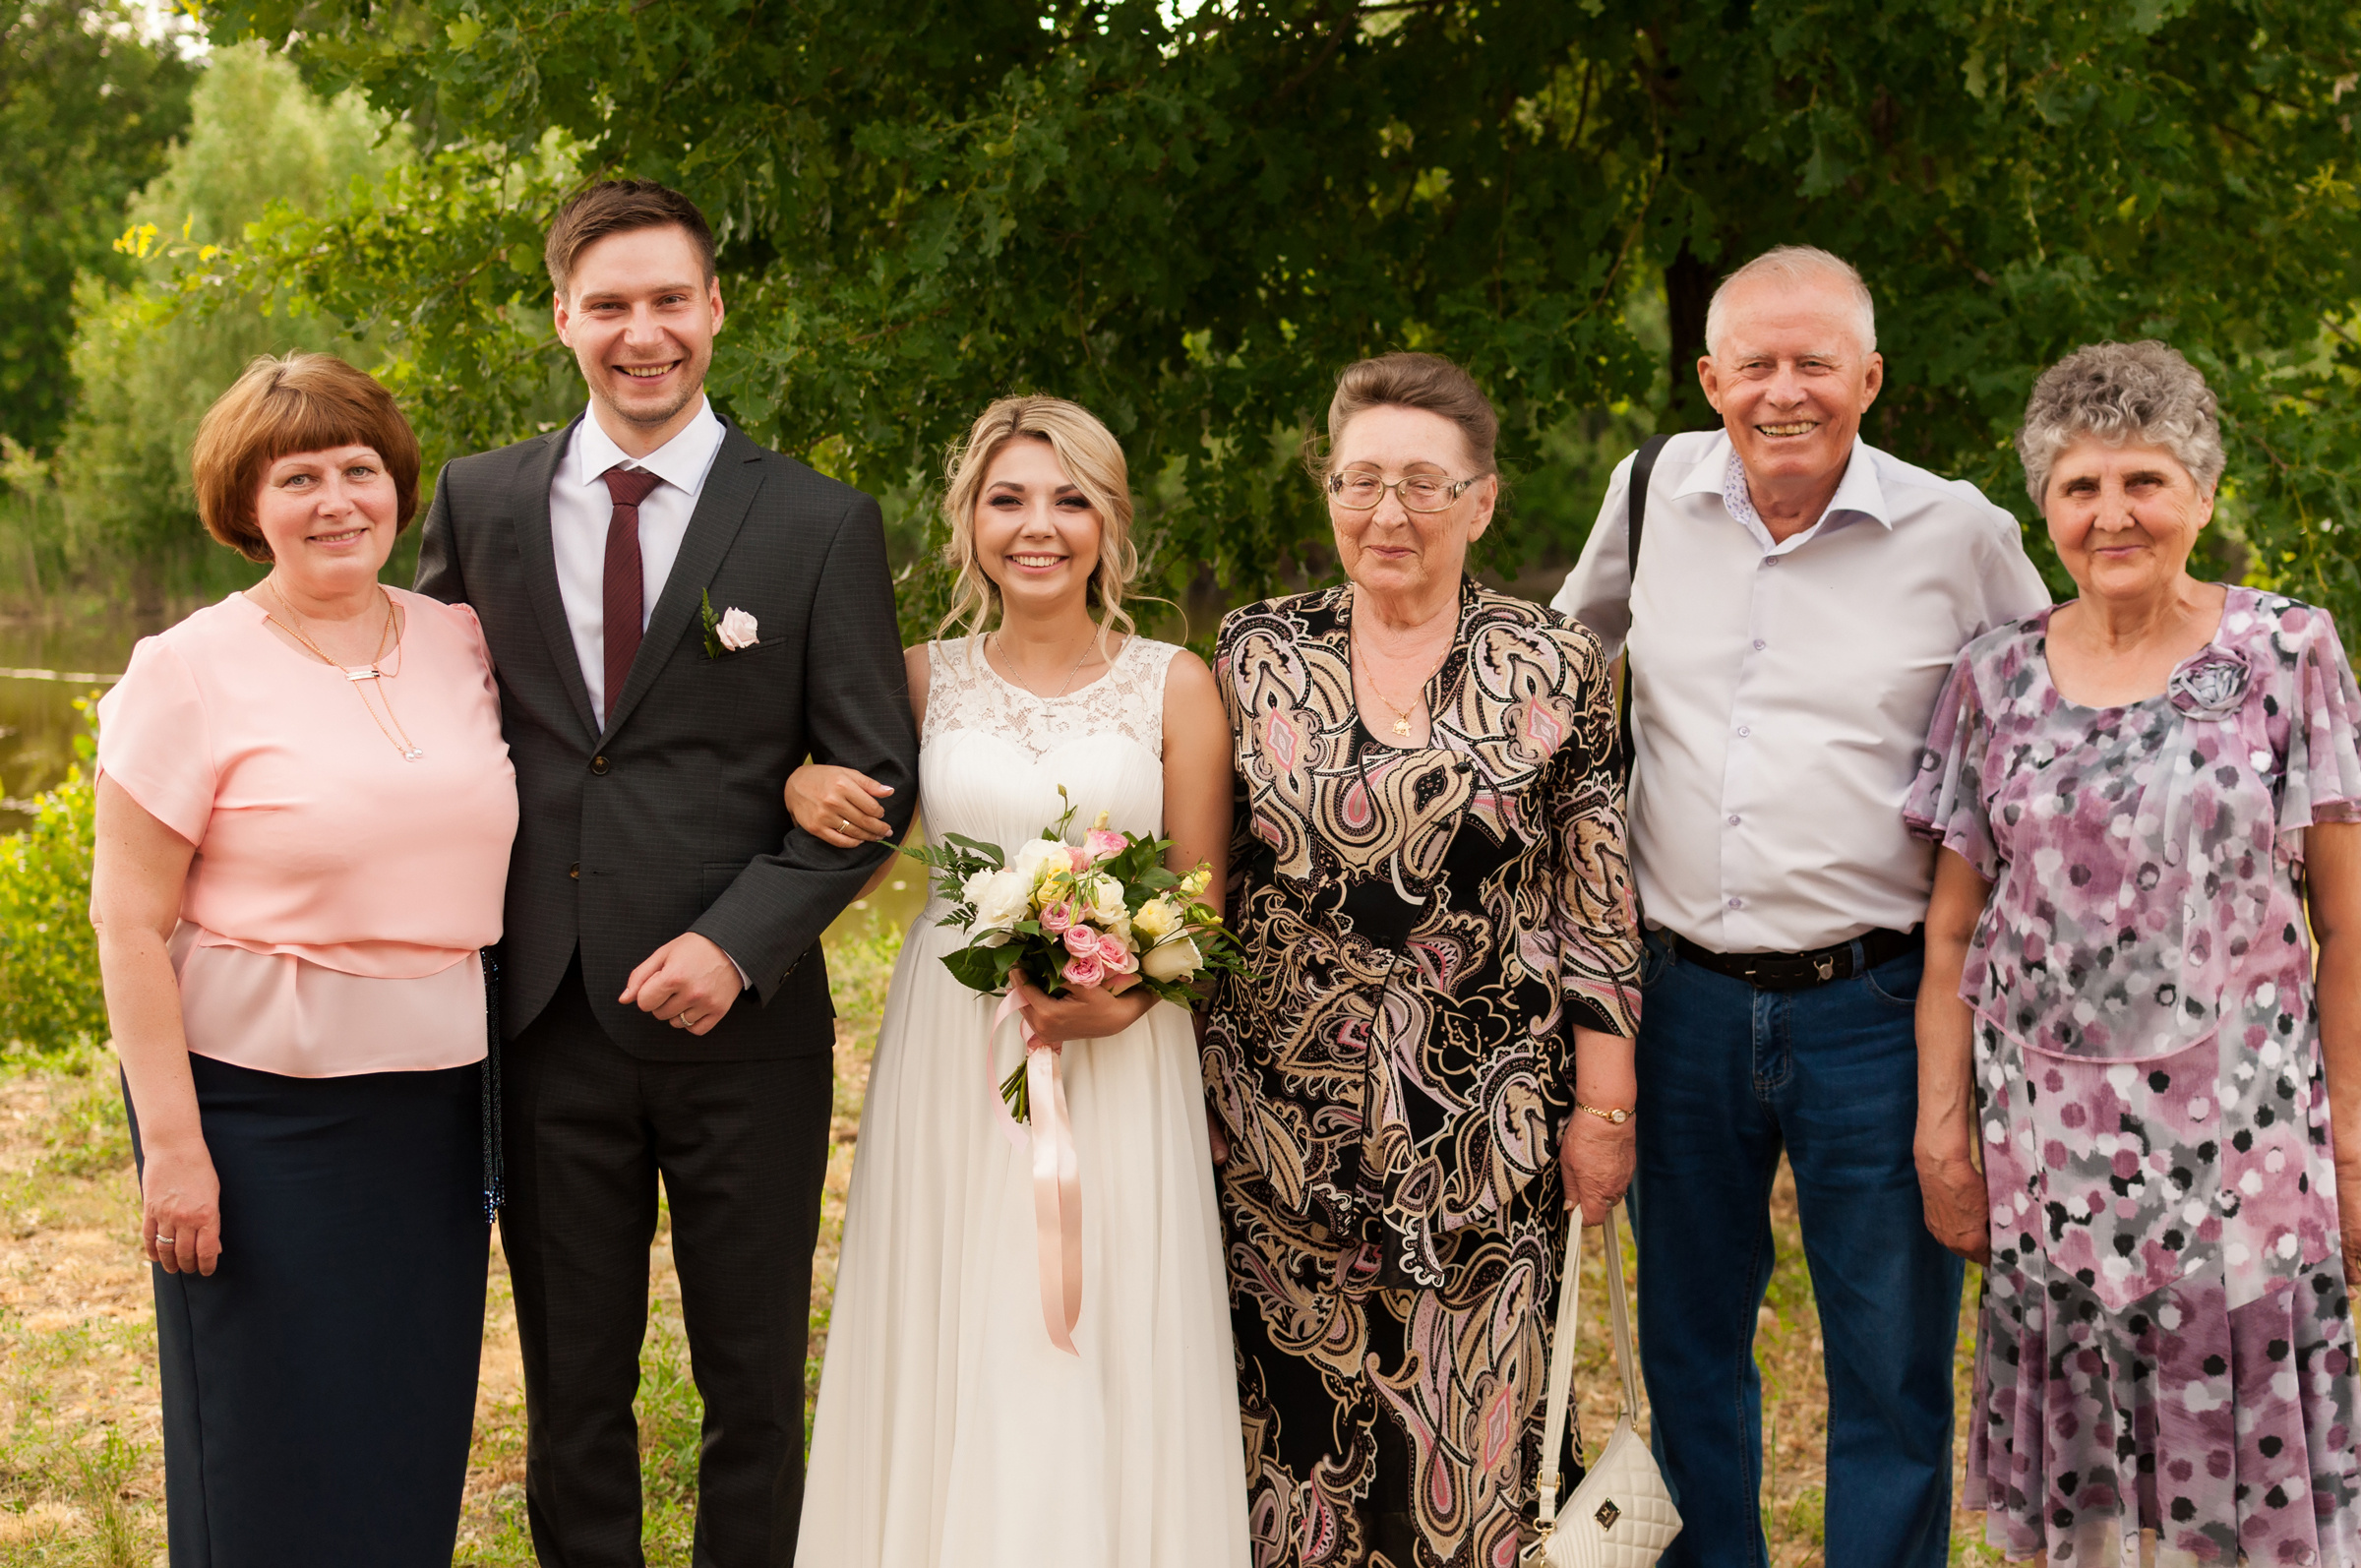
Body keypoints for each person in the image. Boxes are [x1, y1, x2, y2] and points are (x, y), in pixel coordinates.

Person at [412, 180, 917, 1565]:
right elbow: (420, 713)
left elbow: (877, 781)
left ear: (715, 307)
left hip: (742, 1026)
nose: (645, 333)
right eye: (611, 304)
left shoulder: (819, 523)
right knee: (575, 1382)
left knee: (750, 1376)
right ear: (564, 317)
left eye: (670, 300)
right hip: (544, 1016)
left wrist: (739, 939)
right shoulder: (482, 499)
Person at [1552, 244, 2051, 1567]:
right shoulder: (1651, 488)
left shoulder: (1962, 532)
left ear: (1870, 377)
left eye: (1815, 361)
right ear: (1711, 376)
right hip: (1678, 1001)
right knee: (1689, 1350)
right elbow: (1551, 675)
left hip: (1878, 1007)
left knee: (1889, 1362)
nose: (1786, 390)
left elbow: (2052, 738)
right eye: (1756, 363)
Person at [1908, 340, 2361, 1565]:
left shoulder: (2287, 654)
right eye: (2081, 486)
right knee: (2086, 1509)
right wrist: (1940, 1126)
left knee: (2237, 1499)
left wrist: (2355, 1133)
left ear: (2203, 495)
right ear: (2045, 508)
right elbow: (1952, 925)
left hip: (2244, 1144)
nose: (2114, 513)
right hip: (2050, 1150)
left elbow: (2349, 921)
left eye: (2145, 481)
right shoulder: (1994, 675)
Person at [787, 395, 1250, 1566]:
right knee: (959, 1307)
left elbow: (1200, 901)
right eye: (1008, 499)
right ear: (968, 523)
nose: (1037, 526)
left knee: (1102, 1329)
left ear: (1109, 521)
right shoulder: (918, 678)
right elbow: (848, 850)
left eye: (1068, 498)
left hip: (1124, 1054)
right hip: (957, 1045)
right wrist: (801, 785)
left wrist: (1126, 994)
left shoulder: (1175, 683)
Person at [1203, 351, 1643, 1568]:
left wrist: (1605, 1105)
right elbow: (1204, 883)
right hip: (1280, 1124)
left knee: (1474, 1447)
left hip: (1485, 1125)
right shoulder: (1249, 656)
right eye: (1360, 481)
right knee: (1295, 1445)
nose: (1388, 512)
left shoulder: (1555, 663)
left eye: (1422, 484)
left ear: (1483, 502)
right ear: (1327, 490)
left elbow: (1596, 901)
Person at [88, 352, 516, 1563]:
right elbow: (126, 920)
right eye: (300, 476)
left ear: (396, 486)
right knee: (267, 1441)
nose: (337, 499)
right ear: (247, 505)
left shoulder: (460, 639)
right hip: (252, 1116)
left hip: (434, 1117)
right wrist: (174, 1150)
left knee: (405, 1426)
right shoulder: (186, 670)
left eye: (359, 469)